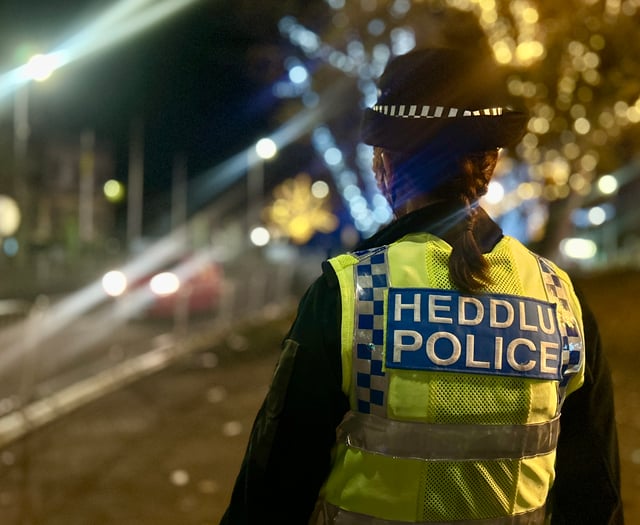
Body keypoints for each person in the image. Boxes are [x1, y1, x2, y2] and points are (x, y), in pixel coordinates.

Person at [221, 47, 623, 524]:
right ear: (490, 163)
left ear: (384, 166)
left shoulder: (352, 294)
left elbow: (270, 495)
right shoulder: (559, 301)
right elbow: (596, 497)